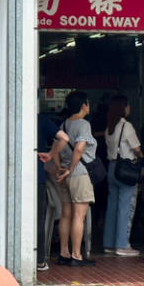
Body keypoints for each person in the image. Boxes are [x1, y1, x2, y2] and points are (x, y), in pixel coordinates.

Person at [38, 91, 98, 267]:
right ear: (83, 105)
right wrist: (71, 168)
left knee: (65, 214)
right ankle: (77, 255)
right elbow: (79, 148)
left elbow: (57, 145)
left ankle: (64, 253)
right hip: (78, 173)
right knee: (79, 215)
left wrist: (60, 169)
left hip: (64, 174)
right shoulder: (84, 124)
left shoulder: (64, 124)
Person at [104, 94, 142, 257]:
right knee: (125, 206)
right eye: (127, 106)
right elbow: (137, 148)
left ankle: (109, 243)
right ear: (123, 108)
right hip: (125, 169)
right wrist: (141, 156)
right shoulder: (126, 126)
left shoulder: (109, 128)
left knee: (112, 206)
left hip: (112, 168)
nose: (129, 109)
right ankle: (122, 244)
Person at [37, 110, 60, 272]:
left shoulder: (8, 115)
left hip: (14, 178)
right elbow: (63, 138)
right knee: (39, 220)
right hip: (37, 176)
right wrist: (51, 154)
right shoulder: (41, 119)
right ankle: (39, 260)